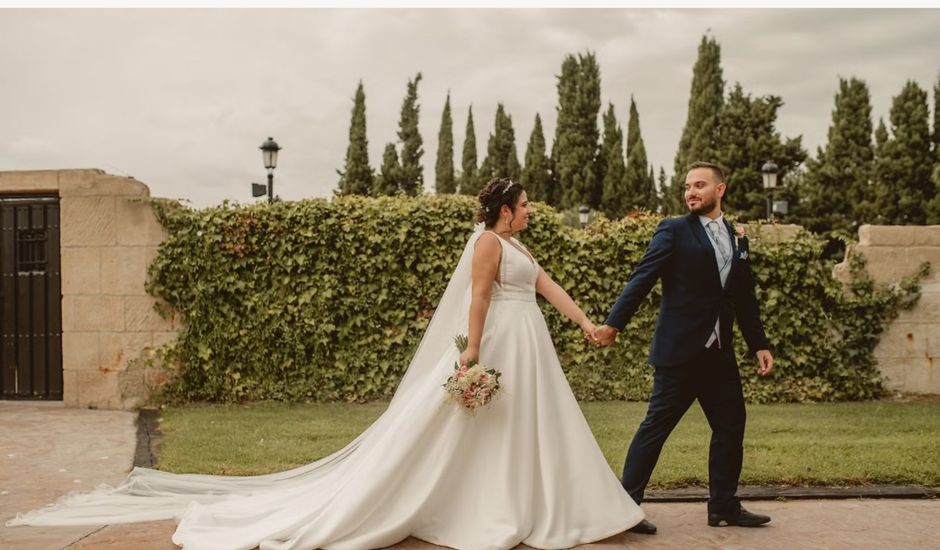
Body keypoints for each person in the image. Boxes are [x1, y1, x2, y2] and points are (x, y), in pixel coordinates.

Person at [9, 177, 643, 550]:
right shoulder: (484, 243)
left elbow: (545, 284)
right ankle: (492, 503)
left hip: (531, 345)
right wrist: (472, 355)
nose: (530, 211)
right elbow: (479, 299)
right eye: (525, 204)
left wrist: (587, 321)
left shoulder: (515, 244)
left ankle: (542, 499)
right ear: (506, 209)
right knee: (476, 428)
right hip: (500, 342)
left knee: (532, 424)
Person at [592, 161, 774, 535]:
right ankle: (625, 509)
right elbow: (642, 278)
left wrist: (759, 344)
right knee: (655, 428)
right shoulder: (673, 230)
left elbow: (742, 296)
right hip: (679, 353)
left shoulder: (738, 236)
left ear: (720, 190)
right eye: (688, 186)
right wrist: (613, 324)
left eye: (700, 185)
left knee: (731, 426)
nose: (691, 191)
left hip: (719, 354)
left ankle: (723, 506)